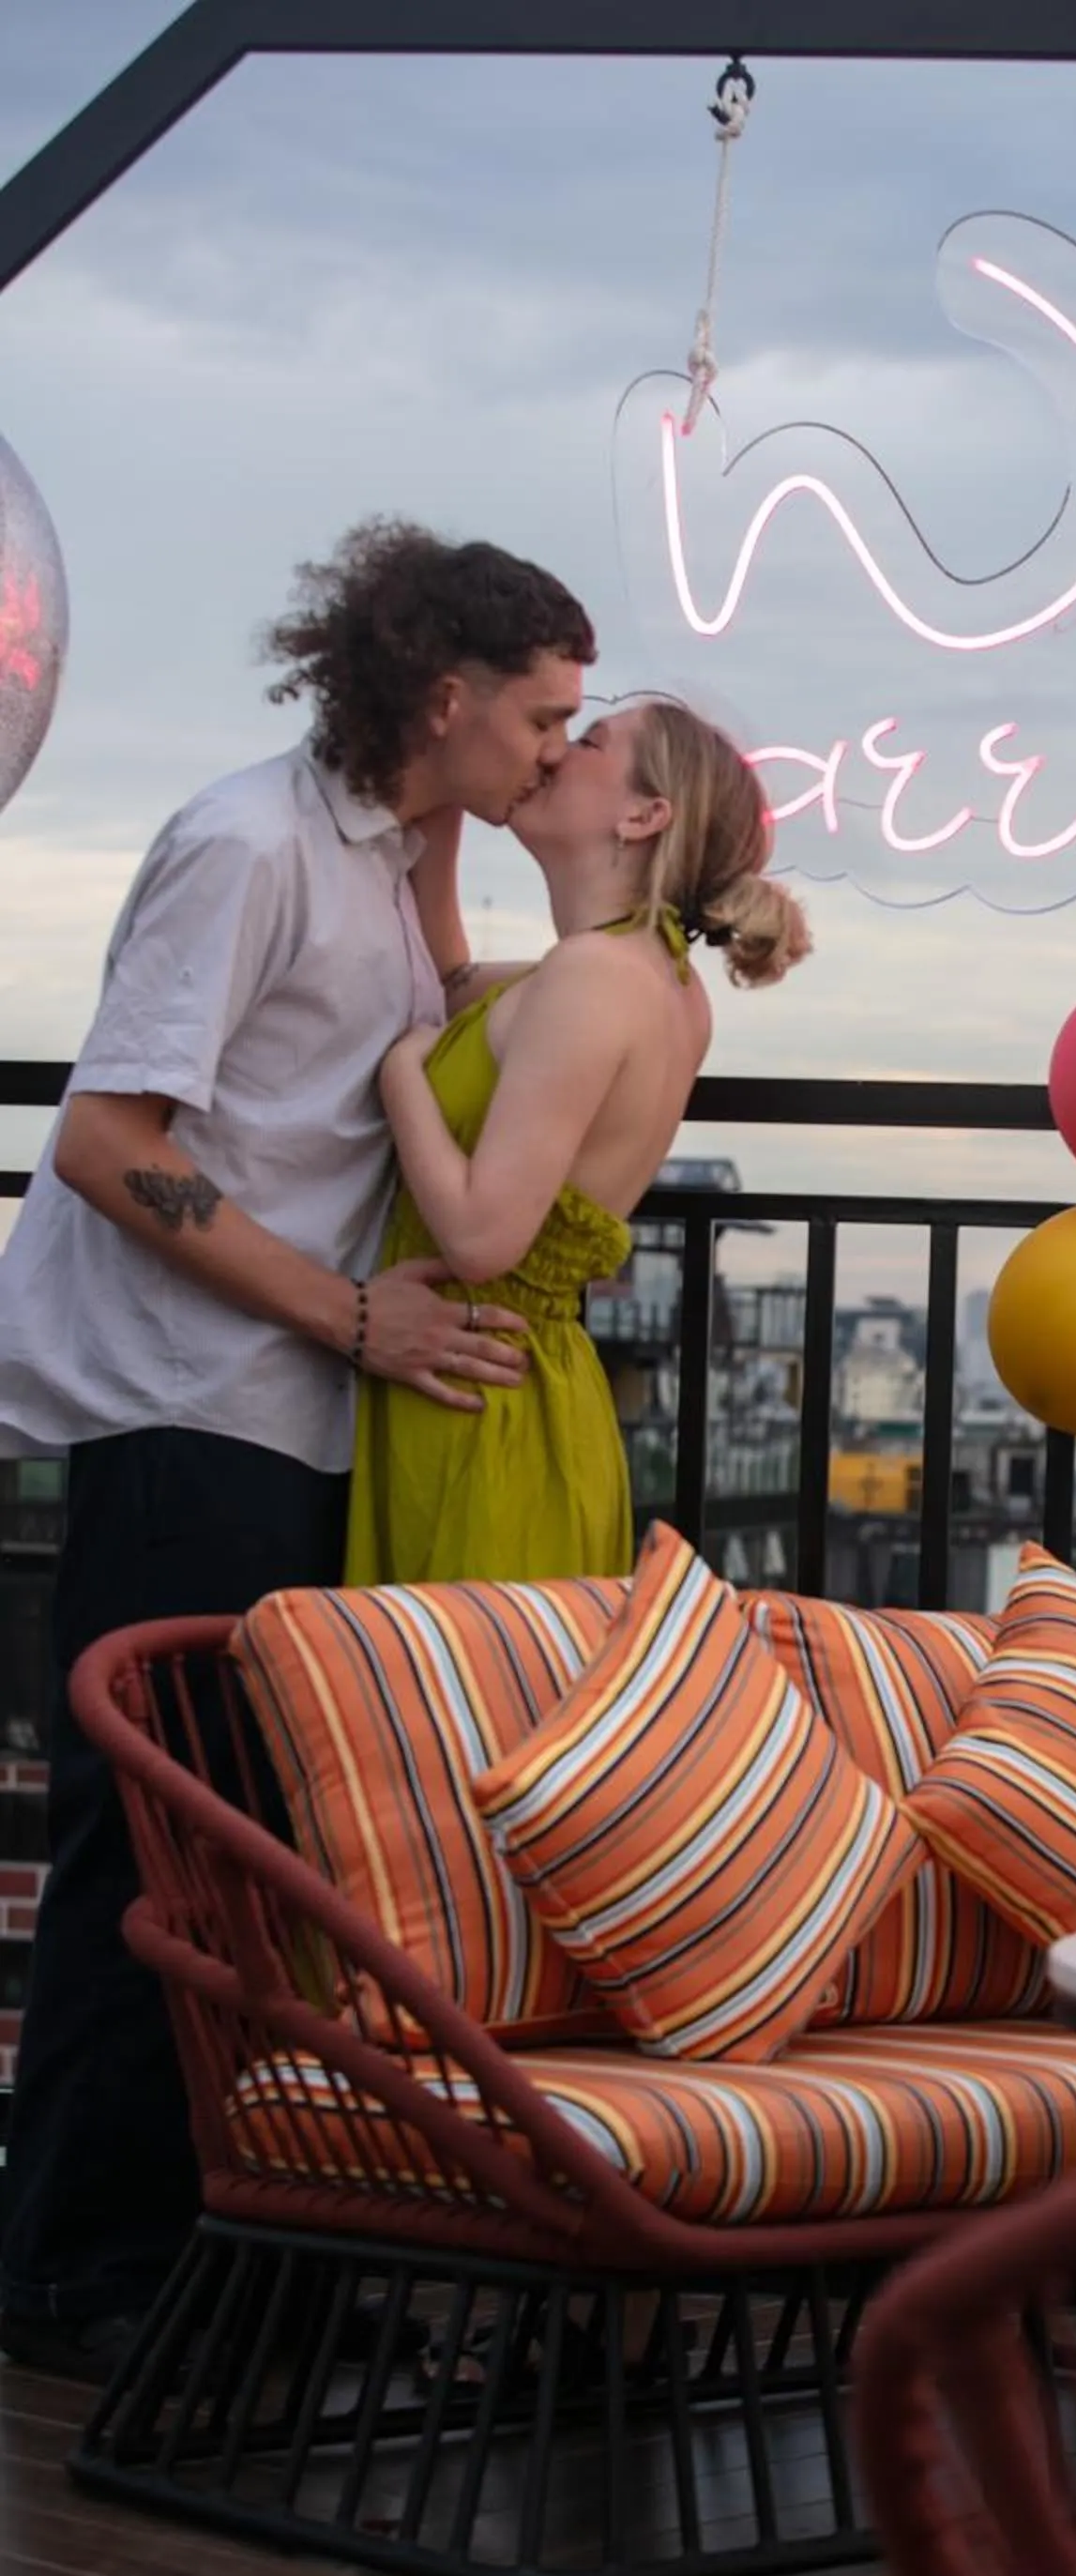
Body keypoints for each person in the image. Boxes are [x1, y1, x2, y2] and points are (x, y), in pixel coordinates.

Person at [0, 520, 598, 2383]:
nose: (559, 760)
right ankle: (73, 2278)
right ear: (446, 699)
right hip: (191, 1407)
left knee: (262, 1865)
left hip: (291, 1412)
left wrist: (639, 974)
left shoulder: (404, 839)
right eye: (543, 723)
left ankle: (225, 2250)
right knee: (157, 1859)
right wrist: (356, 1320)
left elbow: (434, 1010)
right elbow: (111, 1138)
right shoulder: (248, 843)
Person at [346, 697, 811, 1587]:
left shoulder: (595, 977)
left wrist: (401, 1076)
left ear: (643, 816)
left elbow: (482, 1237)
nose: (555, 752)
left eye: (590, 743)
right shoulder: (649, 977)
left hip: (475, 1399)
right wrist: (444, 795)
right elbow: (454, 989)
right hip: (527, 1393)